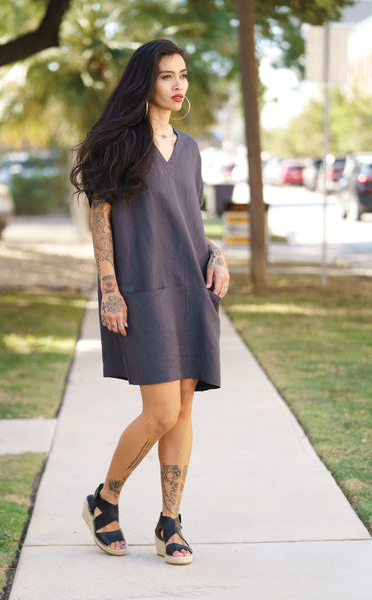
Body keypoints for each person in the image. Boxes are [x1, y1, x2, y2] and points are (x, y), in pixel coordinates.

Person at [70, 39, 230, 566]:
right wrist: (110, 289)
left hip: (191, 287)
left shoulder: (189, 149)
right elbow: (101, 220)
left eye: (183, 74)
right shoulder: (118, 144)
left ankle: (169, 521)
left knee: (183, 410)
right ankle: (105, 500)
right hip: (141, 290)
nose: (178, 84)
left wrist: (218, 256)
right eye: (166, 76)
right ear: (146, 82)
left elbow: (191, 220)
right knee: (160, 411)